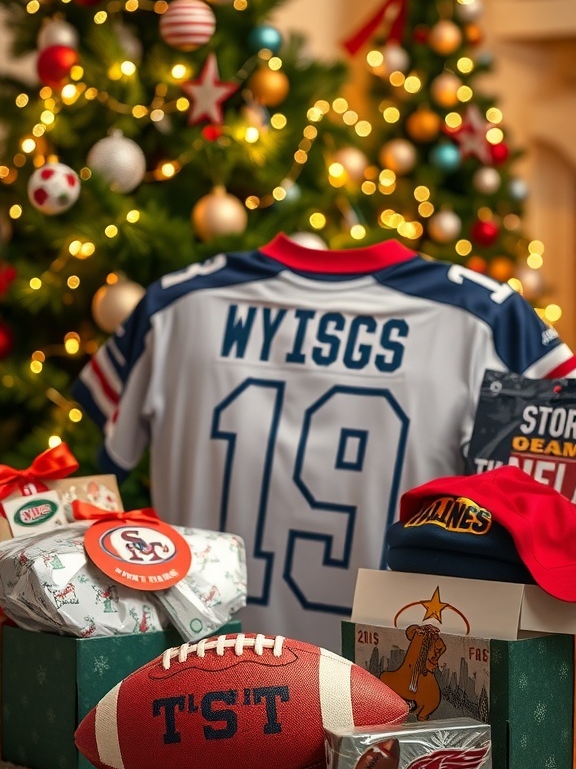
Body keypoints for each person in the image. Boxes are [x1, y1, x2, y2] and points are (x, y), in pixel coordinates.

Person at [73, 234, 576, 652]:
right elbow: (548, 506)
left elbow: (104, 475)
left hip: (197, 675)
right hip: (395, 702)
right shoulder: (489, 318)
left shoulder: (175, 302)